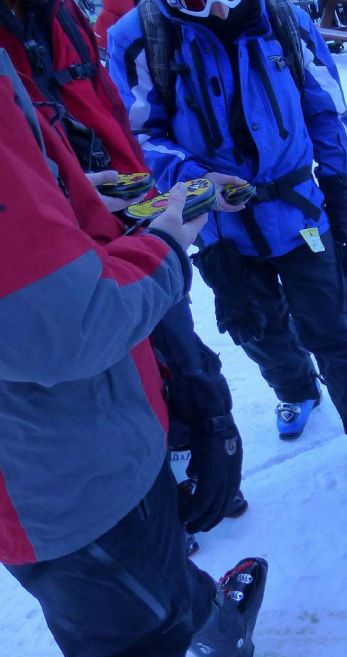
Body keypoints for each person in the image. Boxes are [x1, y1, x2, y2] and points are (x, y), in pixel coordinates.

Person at [1, 47, 268, 657]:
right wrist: (166, 243)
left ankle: (218, 625)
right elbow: (67, 326)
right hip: (61, 472)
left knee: (148, 582)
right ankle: (207, 625)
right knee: (126, 656)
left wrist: (71, 201)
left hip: (80, 443)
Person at [106, 0, 347, 452]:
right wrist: (196, 180)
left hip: (299, 210)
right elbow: (138, 134)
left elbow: (329, 109)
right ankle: (295, 390)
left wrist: (339, 185)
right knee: (256, 326)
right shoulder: (141, 35)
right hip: (218, 225)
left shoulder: (285, 19)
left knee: (329, 318)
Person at [0, 0, 250, 543]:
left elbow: (114, 116)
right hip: (63, 265)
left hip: (133, 222)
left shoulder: (64, 15)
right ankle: (157, 507)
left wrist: (147, 194)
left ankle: (193, 466)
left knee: (179, 353)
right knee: (109, 386)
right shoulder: (133, 26)